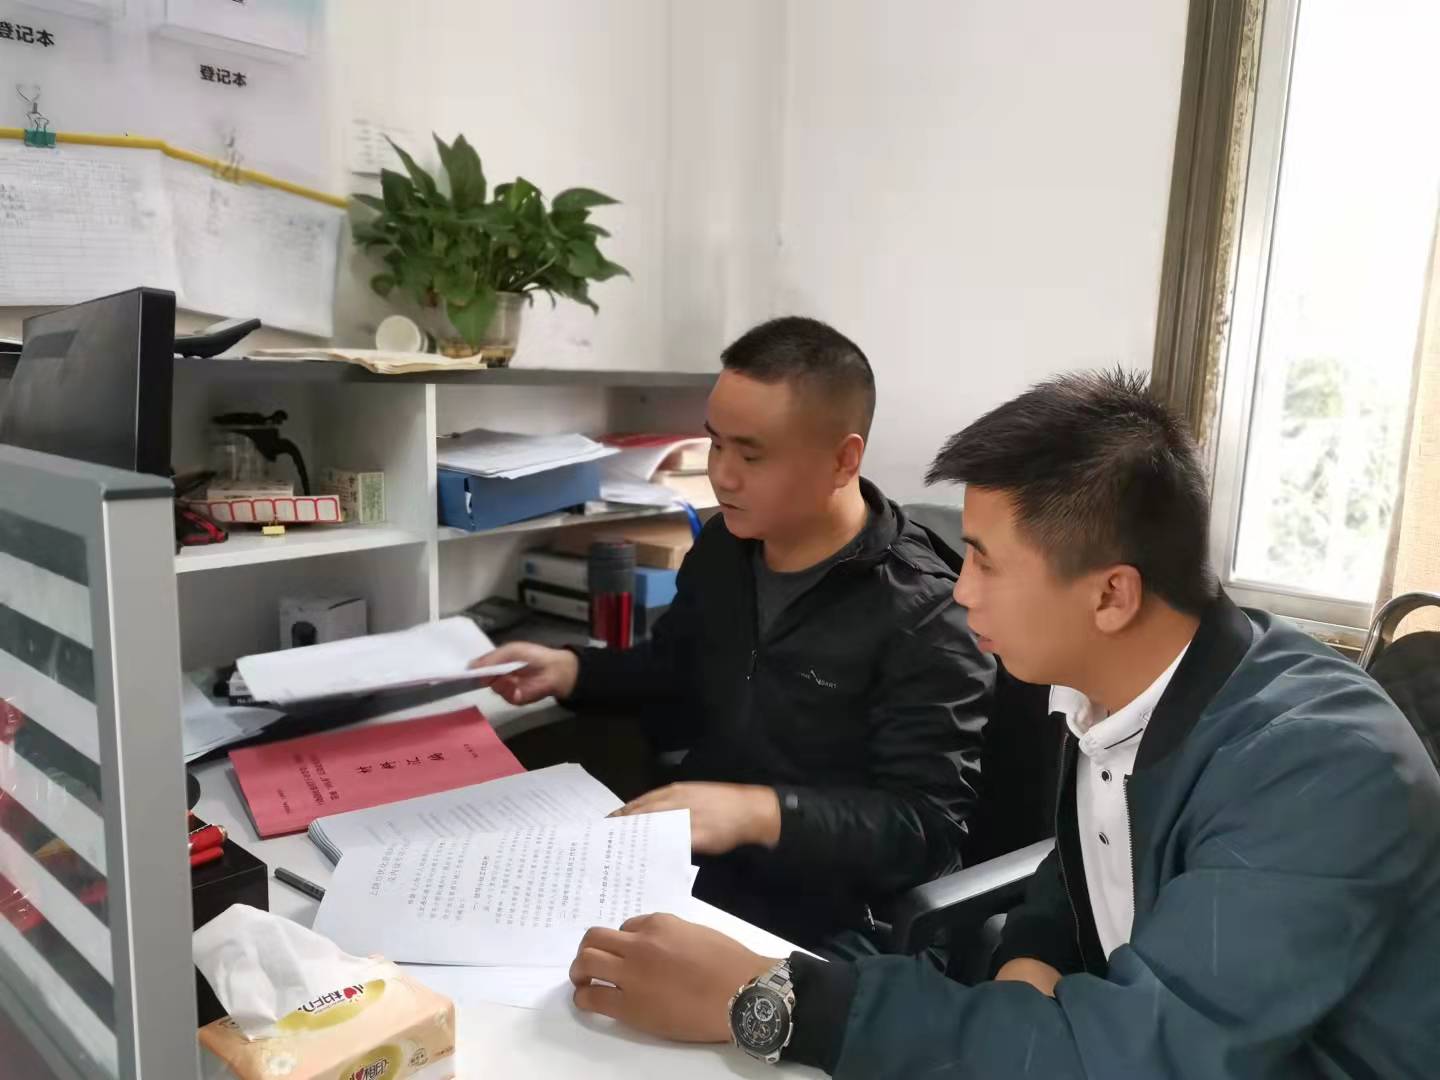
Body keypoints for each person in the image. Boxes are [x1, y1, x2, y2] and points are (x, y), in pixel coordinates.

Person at [560, 369, 1440, 1077]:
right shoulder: (1122, 684)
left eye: (984, 561)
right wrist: (1031, 959)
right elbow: (1086, 866)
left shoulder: (1320, 767)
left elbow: (1146, 1056)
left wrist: (770, 999)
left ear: (1110, 595)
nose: (961, 587)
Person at [472, 316, 993, 949]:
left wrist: (761, 812)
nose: (723, 475)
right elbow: (678, 671)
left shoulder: (926, 611)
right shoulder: (726, 546)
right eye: (715, 444)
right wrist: (573, 670)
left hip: (833, 917)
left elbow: (925, 829)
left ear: (843, 459)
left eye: (751, 455)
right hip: (701, 874)